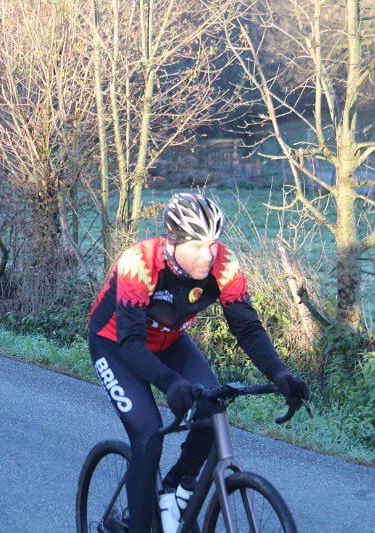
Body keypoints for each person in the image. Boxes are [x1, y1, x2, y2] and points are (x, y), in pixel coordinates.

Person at [88, 192, 309, 532]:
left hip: (170, 341)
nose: (208, 255)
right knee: (148, 435)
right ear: (173, 242)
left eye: (212, 244)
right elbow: (130, 343)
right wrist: (170, 382)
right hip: (116, 345)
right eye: (197, 245)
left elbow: (247, 328)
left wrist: (279, 373)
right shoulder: (139, 263)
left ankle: (175, 488)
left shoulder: (224, 264)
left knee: (210, 407)